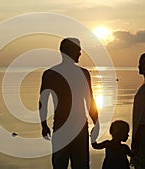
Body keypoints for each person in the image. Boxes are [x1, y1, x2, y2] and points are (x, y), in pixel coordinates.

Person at [39, 37, 98, 169]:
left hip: (67, 128)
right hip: (69, 129)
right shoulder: (81, 73)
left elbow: (90, 101)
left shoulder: (50, 74)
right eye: (78, 50)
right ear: (68, 51)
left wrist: (43, 125)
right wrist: (96, 123)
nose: (80, 53)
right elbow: (90, 101)